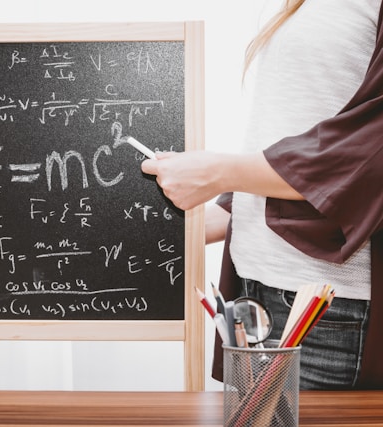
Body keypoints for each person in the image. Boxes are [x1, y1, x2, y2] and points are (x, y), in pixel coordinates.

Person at [142, 0, 383, 389]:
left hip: (323, 310)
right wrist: (215, 218)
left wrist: (218, 172)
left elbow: (368, 150)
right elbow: (290, 139)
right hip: (252, 289)